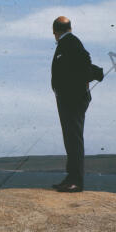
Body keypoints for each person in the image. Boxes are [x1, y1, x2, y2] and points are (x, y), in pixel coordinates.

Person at [50, 16, 95, 192]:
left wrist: (80, 88)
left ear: (55, 31)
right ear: (69, 28)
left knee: (73, 139)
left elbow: (85, 65)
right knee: (71, 139)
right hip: (70, 99)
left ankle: (76, 181)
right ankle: (71, 177)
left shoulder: (71, 43)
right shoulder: (69, 42)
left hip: (73, 100)